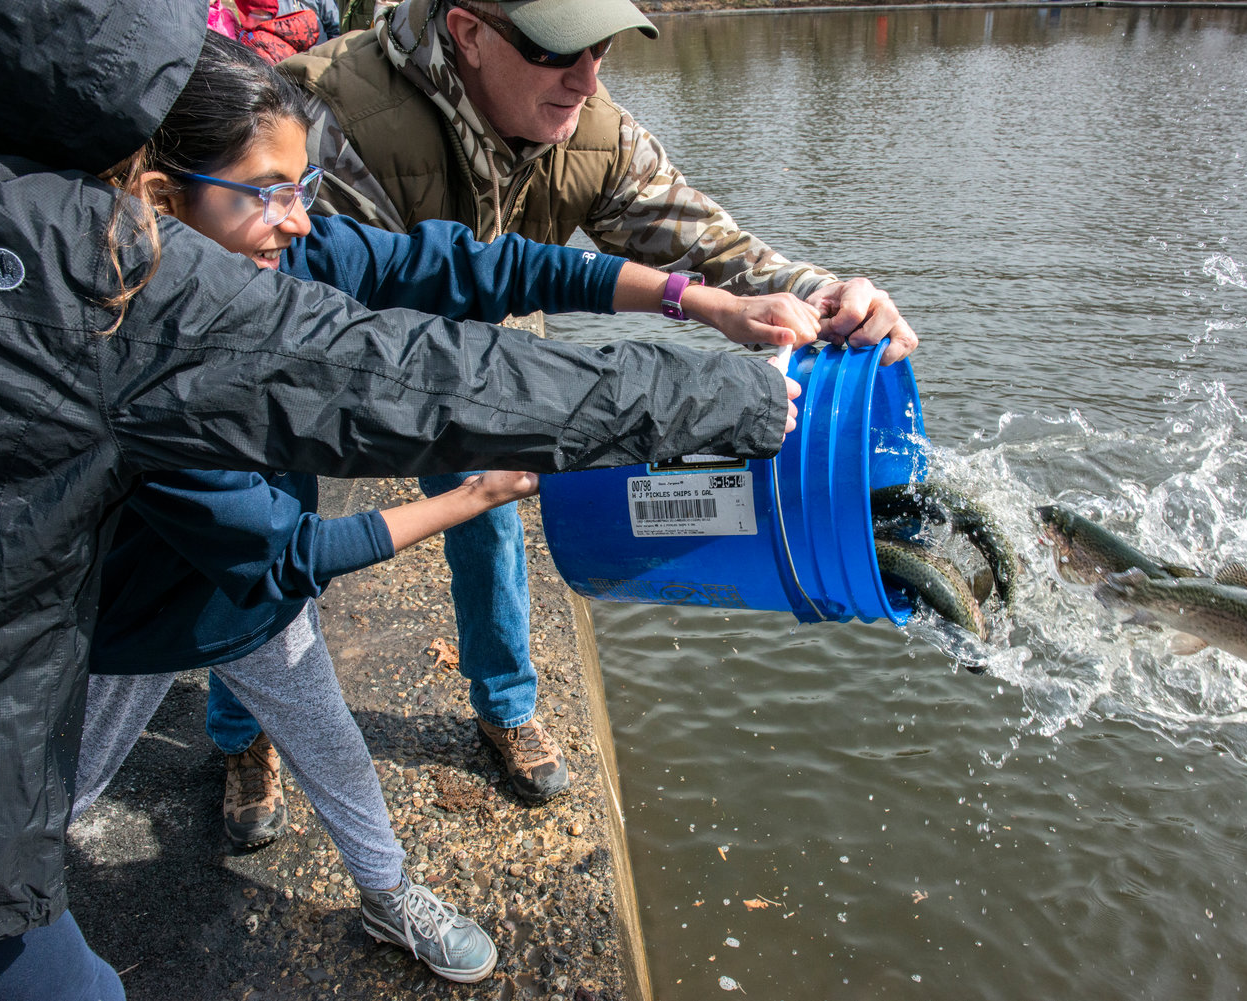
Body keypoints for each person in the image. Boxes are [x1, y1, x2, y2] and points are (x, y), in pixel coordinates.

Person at [0, 1, 796, 997]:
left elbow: (470, 266)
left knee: (336, 753)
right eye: (268, 192)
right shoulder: (137, 314)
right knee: (51, 795)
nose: (300, 217)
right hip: (138, 622)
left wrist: (701, 299)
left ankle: (385, 888)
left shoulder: (268, 247)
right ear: (160, 201)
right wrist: (470, 498)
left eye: (304, 186)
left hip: (248, 606)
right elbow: (297, 534)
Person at [273, 0, 923, 808]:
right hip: (308, 352)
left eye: (603, 50)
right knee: (270, 530)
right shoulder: (332, 117)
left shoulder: (589, 128)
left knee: (492, 515)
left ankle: (505, 706)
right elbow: (331, 353)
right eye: (560, 52)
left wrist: (819, 294)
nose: (586, 80)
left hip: (470, 326)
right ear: (469, 31)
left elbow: (702, 245)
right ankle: (245, 735)